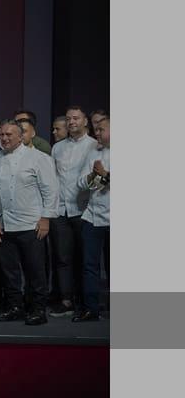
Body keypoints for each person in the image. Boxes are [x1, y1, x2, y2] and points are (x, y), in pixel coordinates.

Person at [0, 121, 59, 326]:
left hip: (32, 224)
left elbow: (51, 190)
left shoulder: (39, 158)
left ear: (21, 137)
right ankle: (15, 307)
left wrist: (46, 218)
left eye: (9, 134)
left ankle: (38, 309)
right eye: (2, 135)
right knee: (9, 271)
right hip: (5, 225)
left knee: (35, 270)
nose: (4, 138)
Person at [48, 106, 99, 317]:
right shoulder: (57, 147)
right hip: (61, 210)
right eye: (68, 119)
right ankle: (66, 300)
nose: (71, 122)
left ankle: (85, 301)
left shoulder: (94, 145)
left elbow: (95, 179)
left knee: (85, 259)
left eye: (76, 118)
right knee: (62, 258)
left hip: (84, 209)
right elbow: (53, 179)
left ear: (85, 121)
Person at [72, 117, 110, 322]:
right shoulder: (94, 152)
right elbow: (81, 182)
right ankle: (91, 308)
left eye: (101, 130)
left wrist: (105, 174)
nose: (97, 134)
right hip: (92, 216)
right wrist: (90, 177)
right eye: (96, 129)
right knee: (89, 265)